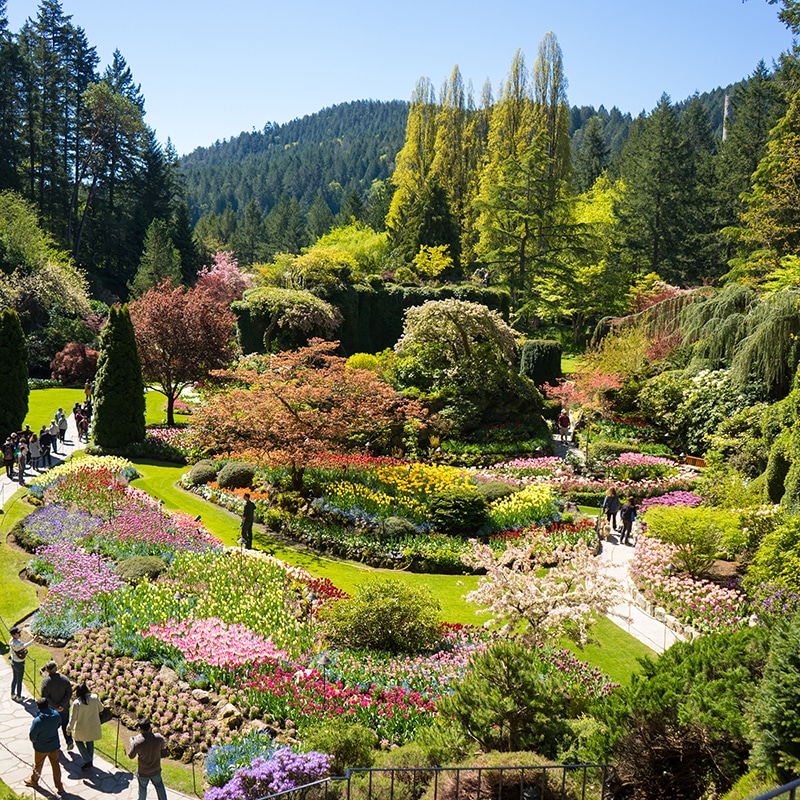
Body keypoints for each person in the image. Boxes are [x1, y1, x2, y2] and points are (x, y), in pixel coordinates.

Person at [25, 697, 65, 793]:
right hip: (54, 746)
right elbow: (58, 725)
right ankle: (59, 786)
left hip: (41, 748)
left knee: (38, 765)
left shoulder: (37, 721)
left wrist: (35, 741)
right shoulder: (56, 715)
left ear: (38, 708)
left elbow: (32, 736)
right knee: (55, 765)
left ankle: (34, 781)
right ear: (48, 705)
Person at [127, 718, 168, 800]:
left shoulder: (137, 743)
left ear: (140, 729)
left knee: (142, 789)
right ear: (150, 727)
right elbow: (163, 746)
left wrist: (132, 742)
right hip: (156, 770)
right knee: (160, 787)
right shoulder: (158, 738)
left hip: (143, 772)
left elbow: (131, 756)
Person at [67, 682, 104, 771]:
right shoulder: (95, 698)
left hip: (81, 728)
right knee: (90, 741)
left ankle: (88, 760)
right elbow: (101, 708)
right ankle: (89, 761)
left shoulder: (77, 703)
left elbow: (73, 718)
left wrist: (69, 729)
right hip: (93, 726)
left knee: (78, 741)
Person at [40, 660, 73, 750]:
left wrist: (55, 706)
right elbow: (69, 692)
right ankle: (69, 741)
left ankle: (56, 745)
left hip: (52, 709)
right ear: (56, 668)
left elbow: (44, 697)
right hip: (64, 707)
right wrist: (62, 705)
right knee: (65, 724)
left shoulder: (45, 682)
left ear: (47, 670)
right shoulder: (64, 679)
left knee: (53, 727)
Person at [9, 625, 35, 701]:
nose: (19, 634)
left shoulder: (11, 640)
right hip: (19, 663)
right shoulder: (16, 643)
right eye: (17, 633)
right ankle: (19, 697)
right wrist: (34, 639)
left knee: (14, 679)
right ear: (13, 635)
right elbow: (26, 645)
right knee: (19, 681)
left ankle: (13, 694)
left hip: (13, 662)